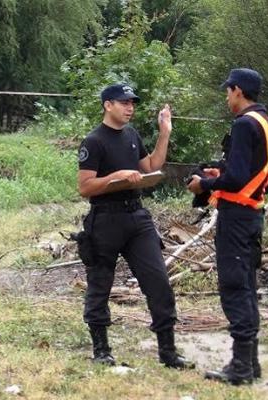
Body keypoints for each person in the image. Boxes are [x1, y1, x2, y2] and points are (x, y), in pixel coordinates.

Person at [78, 83, 193, 369]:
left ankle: (168, 351)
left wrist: (164, 133)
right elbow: (85, 187)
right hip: (105, 218)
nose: (130, 108)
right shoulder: (93, 141)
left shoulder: (131, 135)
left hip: (137, 217)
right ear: (107, 105)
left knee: (159, 283)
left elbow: (152, 164)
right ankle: (101, 350)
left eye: (132, 103)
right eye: (124, 102)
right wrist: (115, 176)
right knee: (100, 285)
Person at [188, 68, 268, 385]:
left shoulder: (243, 124)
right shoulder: (267, 124)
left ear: (238, 91)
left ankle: (240, 368)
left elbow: (238, 178)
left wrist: (206, 183)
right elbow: (253, 170)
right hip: (253, 215)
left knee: (234, 288)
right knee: (247, 287)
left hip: (238, 218)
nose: (227, 96)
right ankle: (250, 364)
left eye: (228, 91)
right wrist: (221, 170)